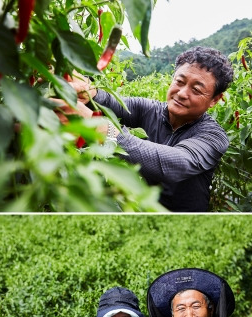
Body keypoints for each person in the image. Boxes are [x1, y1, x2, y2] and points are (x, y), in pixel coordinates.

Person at [61, 46, 234, 212]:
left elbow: (174, 165)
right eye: (179, 82)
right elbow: (110, 102)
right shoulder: (151, 110)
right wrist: (88, 91)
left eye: (196, 90)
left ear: (214, 100)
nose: (182, 93)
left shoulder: (214, 137)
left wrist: (104, 130)